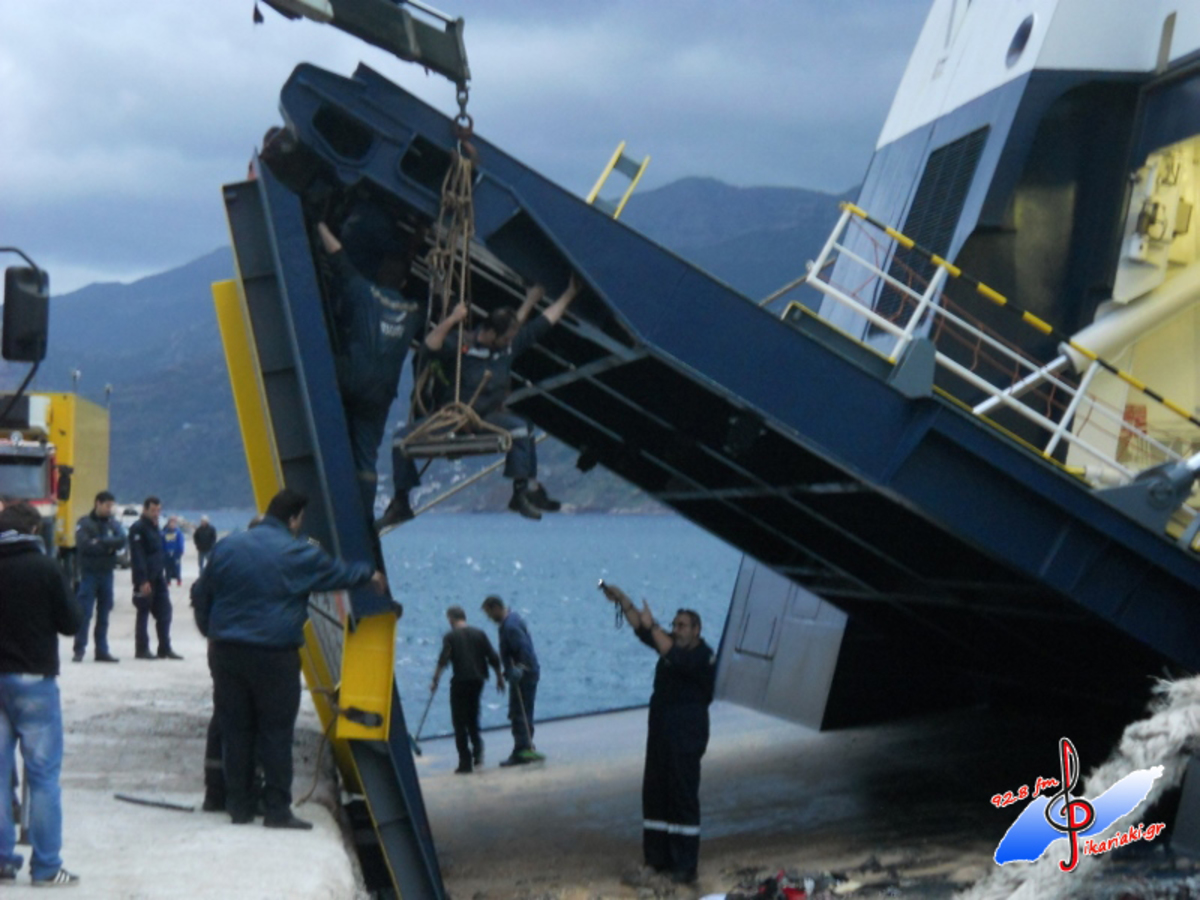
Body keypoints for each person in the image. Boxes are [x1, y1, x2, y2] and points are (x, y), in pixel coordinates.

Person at [190, 488, 385, 829]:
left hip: (227, 652)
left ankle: (239, 806)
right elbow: (337, 574)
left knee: (235, 728)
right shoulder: (298, 552)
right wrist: (369, 574)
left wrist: (212, 632)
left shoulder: (228, 546)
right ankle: (277, 809)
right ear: (294, 518)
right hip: (273, 655)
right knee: (275, 732)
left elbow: (201, 592)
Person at [377, 276, 581, 530]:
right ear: (490, 333)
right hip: (450, 417)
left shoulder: (505, 346)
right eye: (505, 338)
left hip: (486, 418)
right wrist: (452, 319)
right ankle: (400, 502)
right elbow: (430, 346)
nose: (509, 343)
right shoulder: (461, 344)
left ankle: (520, 493)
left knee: (520, 429)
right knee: (400, 441)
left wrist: (568, 294)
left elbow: (543, 322)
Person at [600, 582, 716, 886]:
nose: (676, 630)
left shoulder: (702, 656)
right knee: (655, 793)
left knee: (682, 797)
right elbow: (644, 629)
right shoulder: (671, 646)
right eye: (675, 625)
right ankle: (657, 858)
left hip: (687, 736)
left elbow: (664, 644)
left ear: (696, 630)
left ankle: (685, 865)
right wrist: (623, 600)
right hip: (661, 734)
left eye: (682, 626)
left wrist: (654, 628)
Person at [317, 205, 427, 518]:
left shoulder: (365, 292)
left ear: (379, 271)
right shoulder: (414, 311)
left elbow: (338, 259)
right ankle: (361, 517)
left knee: (322, 360)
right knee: (367, 459)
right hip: (380, 394)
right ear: (404, 281)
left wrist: (319, 225)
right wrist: (419, 238)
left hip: (349, 377)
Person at [0, 501, 83, 887]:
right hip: (34, 679)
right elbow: (70, 624)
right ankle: (47, 866)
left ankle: (1, 860)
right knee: (44, 776)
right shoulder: (46, 567)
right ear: (34, 530)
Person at [431, 606, 504, 774]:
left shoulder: (450, 637)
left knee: (459, 722)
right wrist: (499, 677)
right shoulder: (480, 634)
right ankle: (478, 753)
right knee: (473, 717)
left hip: (460, 681)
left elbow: (443, 660)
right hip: (478, 681)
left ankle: (465, 761)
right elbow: (493, 657)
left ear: (451, 619)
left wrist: (435, 681)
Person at [480, 595, 543, 766]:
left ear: (496, 608)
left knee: (519, 713)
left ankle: (522, 751)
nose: (489, 618)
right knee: (524, 712)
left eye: (489, 613)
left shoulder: (510, 626)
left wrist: (520, 669)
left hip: (524, 676)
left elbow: (525, 650)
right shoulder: (511, 620)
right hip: (526, 674)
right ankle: (527, 746)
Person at [72, 490, 126, 663]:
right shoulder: (84, 523)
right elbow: (84, 546)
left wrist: (100, 542)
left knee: (104, 614)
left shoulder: (113, 524)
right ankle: (79, 649)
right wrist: (108, 546)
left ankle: (101, 650)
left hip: (107, 574)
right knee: (85, 613)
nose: (110, 509)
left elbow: (122, 540)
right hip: (89, 574)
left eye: (112, 506)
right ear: (98, 504)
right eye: (107, 506)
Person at [128, 496, 181, 661]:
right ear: (145, 510)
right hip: (145, 578)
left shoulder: (157, 528)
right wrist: (142, 580)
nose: (156, 513)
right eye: (153, 510)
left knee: (165, 612)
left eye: (158, 510)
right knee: (143, 612)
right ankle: (141, 649)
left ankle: (164, 647)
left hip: (159, 576)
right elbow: (138, 556)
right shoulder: (138, 528)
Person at [161, 515, 185, 587]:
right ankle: (168, 580)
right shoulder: (165, 532)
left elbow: (180, 542)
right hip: (167, 552)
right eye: (171, 523)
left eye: (173, 523)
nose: (172, 524)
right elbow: (163, 542)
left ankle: (178, 580)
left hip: (176, 553)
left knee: (177, 567)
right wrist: (162, 551)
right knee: (167, 567)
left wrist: (181, 550)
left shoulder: (178, 532)